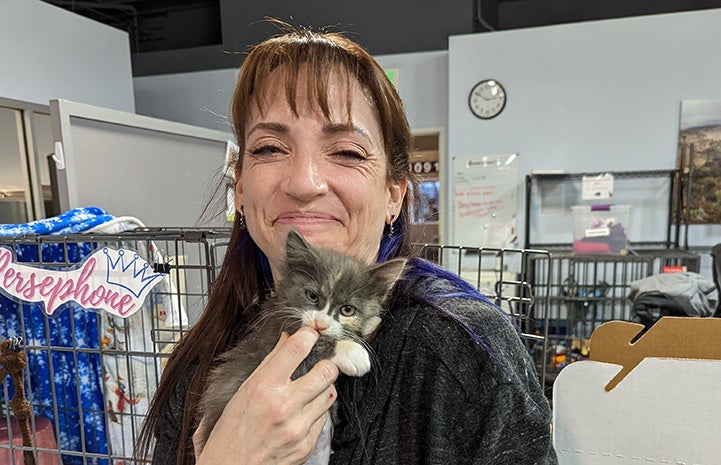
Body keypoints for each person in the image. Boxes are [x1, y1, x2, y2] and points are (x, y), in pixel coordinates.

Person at [136, 22, 557, 465]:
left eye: (347, 152)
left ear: (395, 193)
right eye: (269, 148)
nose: (304, 182)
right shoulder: (204, 355)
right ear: (239, 187)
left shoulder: (461, 351)